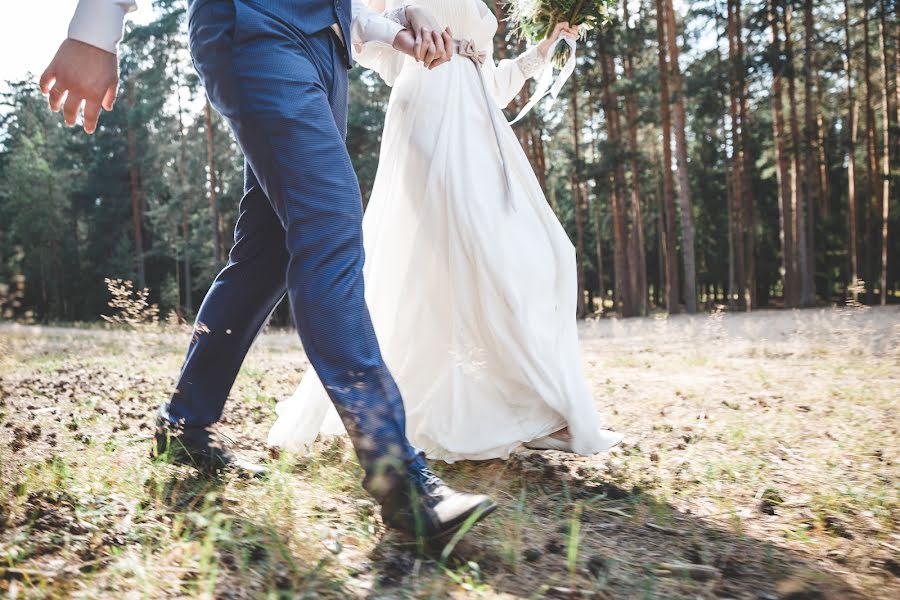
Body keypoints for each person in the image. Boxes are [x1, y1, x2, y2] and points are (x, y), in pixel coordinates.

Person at [41, 0, 496, 541]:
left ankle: (183, 426)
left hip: (326, 53)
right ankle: (397, 474)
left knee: (269, 253)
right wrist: (99, 26)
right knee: (329, 220)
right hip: (254, 26)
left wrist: (398, 25)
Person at [268, 0, 624, 462]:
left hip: (479, 124)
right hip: (428, 113)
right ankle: (530, 409)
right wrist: (411, 35)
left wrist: (544, 48)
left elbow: (490, 82)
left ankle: (532, 407)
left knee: (540, 251)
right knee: (455, 262)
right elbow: (362, 34)